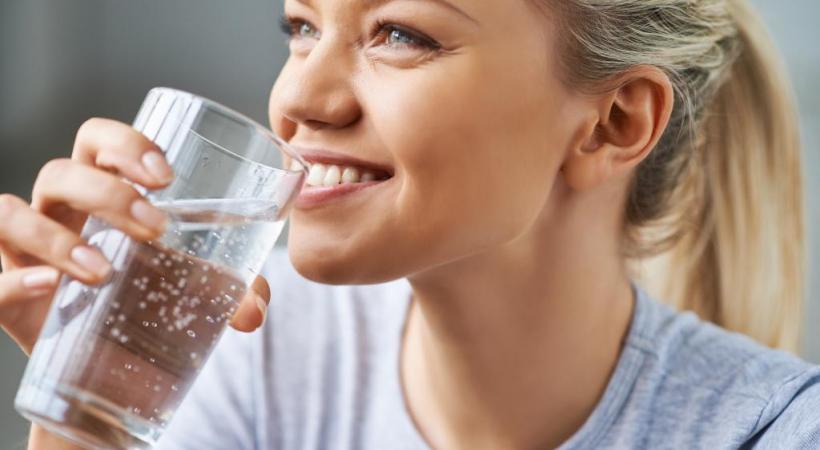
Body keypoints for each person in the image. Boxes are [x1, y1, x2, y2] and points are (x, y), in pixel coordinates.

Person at [2, 0, 818, 448]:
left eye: (400, 34)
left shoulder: (774, 430)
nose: (297, 101)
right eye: (302, 28)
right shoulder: (252, 353)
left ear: (612, 123)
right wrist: (91, 418)